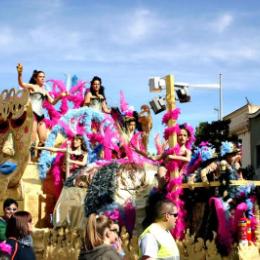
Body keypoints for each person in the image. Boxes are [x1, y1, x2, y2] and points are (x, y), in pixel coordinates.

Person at [17, 63, 67, 147]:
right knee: (32, 138)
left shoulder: (45, 91)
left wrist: (60, 96)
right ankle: (29, 154)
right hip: (32, 114)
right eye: (40, 77)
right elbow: (21, 84)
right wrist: (20, 74)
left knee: (43, 139)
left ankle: (39, 156)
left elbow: (53, 102)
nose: (43, 78)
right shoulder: (33, 86)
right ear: (36, 78)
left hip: (40, 115)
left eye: (44, 77)